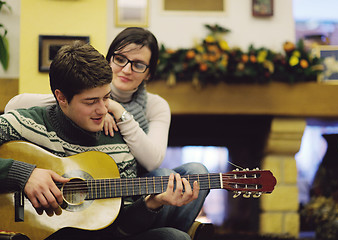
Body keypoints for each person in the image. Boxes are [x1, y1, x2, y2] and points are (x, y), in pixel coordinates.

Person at [5, 27, 210, 234]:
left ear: (149, 72)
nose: (103, 110)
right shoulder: (29, 121)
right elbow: (18, 104)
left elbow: (124, 226)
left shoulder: (118, 142)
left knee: (175, 233)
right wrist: (25, 175)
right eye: (91, 101)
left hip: (108, 221)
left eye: (106, 98)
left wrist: (152, 203)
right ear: (62, 98)